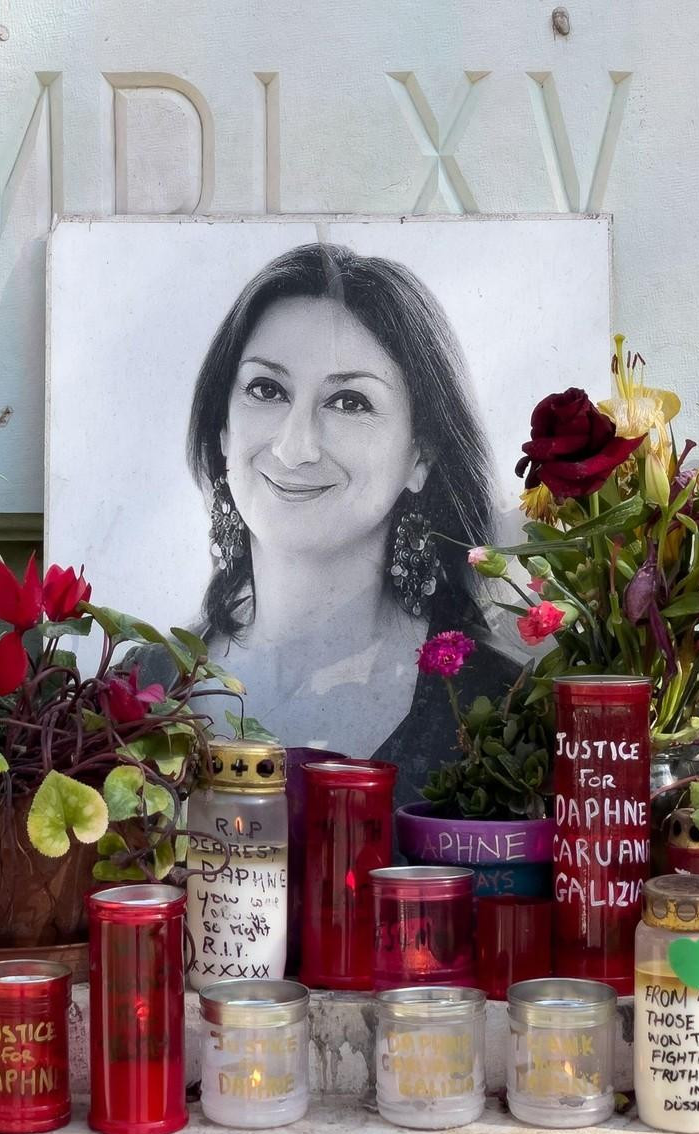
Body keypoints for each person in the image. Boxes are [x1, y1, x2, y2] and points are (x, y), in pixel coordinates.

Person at [185, 242, 517, 798]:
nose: (294, 447)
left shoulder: (504, 709)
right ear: (222, 429)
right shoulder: (138, 689)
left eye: (349, 402)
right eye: (267, 390)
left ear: (421, 455)